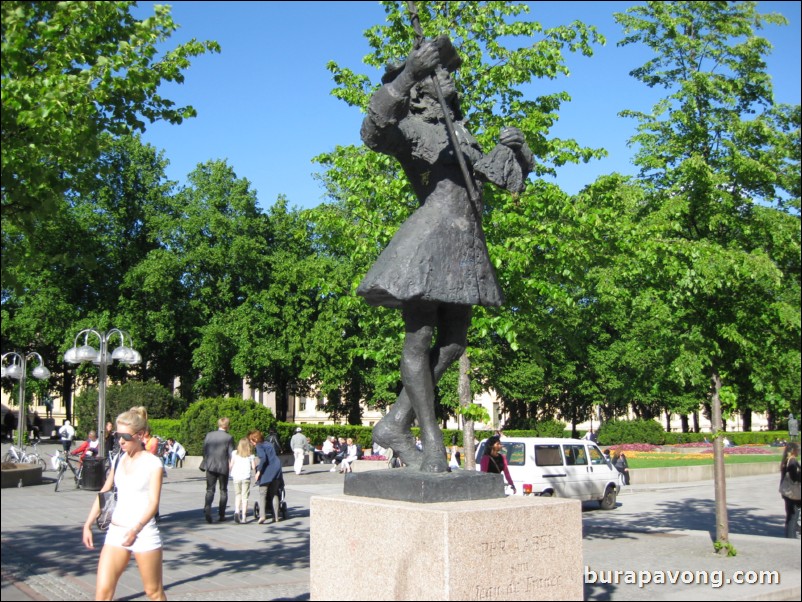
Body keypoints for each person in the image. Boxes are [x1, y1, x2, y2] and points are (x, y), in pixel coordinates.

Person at [359, 36, 534, 473]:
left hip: (466, 244)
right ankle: (431, 441)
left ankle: (396, 422)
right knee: (419, 338)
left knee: (454, 344)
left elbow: (507, 183)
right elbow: (372, 130)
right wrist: (408, 73)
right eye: (440, 72)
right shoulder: (414, 129)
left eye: (449, 72)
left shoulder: (462, 134)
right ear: (423, 88)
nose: (449, 78)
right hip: (430, 240)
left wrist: (519, 152)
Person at [81, 406, 166, 601]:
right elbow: (104, 492)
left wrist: (136, 529)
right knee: (102, 593)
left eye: (125, 437)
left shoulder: (153, 463)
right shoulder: (119, 459)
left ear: (140, 435)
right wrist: (88, 524)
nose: (120, 441)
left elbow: (153, 503)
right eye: (118, 435)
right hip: (117, 531)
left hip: (143, 532)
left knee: (153, 592)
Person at [202, 417, 234, 523]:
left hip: (210, 466)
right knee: (223, 490)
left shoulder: (209, 435)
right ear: (227, 426)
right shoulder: (229, 437)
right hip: (223, 467)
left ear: (218, 424)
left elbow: (205, 449)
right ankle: (221, 514)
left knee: (210, 490)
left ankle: (207, 508)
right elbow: (231, 454)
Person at [249, 430, 283, 524]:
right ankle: (276, 516)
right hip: (277, 468)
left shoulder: (259, 446)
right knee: (274, 493)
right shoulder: (268, 444)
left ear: (255, 439)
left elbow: (263, 458)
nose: (251, 443)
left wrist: (258, 471)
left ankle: (262, 516)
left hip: (268, 470)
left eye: (251, 440)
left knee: (262, 493)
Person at [230, 437, 256, 524]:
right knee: (245, 497)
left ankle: (237, 511)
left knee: (238, 495)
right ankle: (244, 516)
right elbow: (253, 467)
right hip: (246, 477)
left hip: (236, 476)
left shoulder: (234, 453)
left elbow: (231, 464)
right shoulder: (250, 455)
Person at [780, 442, 800, 539]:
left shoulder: (785, 461)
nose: (799, 451)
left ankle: (790, 537)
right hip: (793, 494)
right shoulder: (792, 461)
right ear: (793, 450)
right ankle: (791, 538)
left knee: (790, 518)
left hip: (787, 493)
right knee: (793, 517)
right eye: (798, 449)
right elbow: (794, 478)